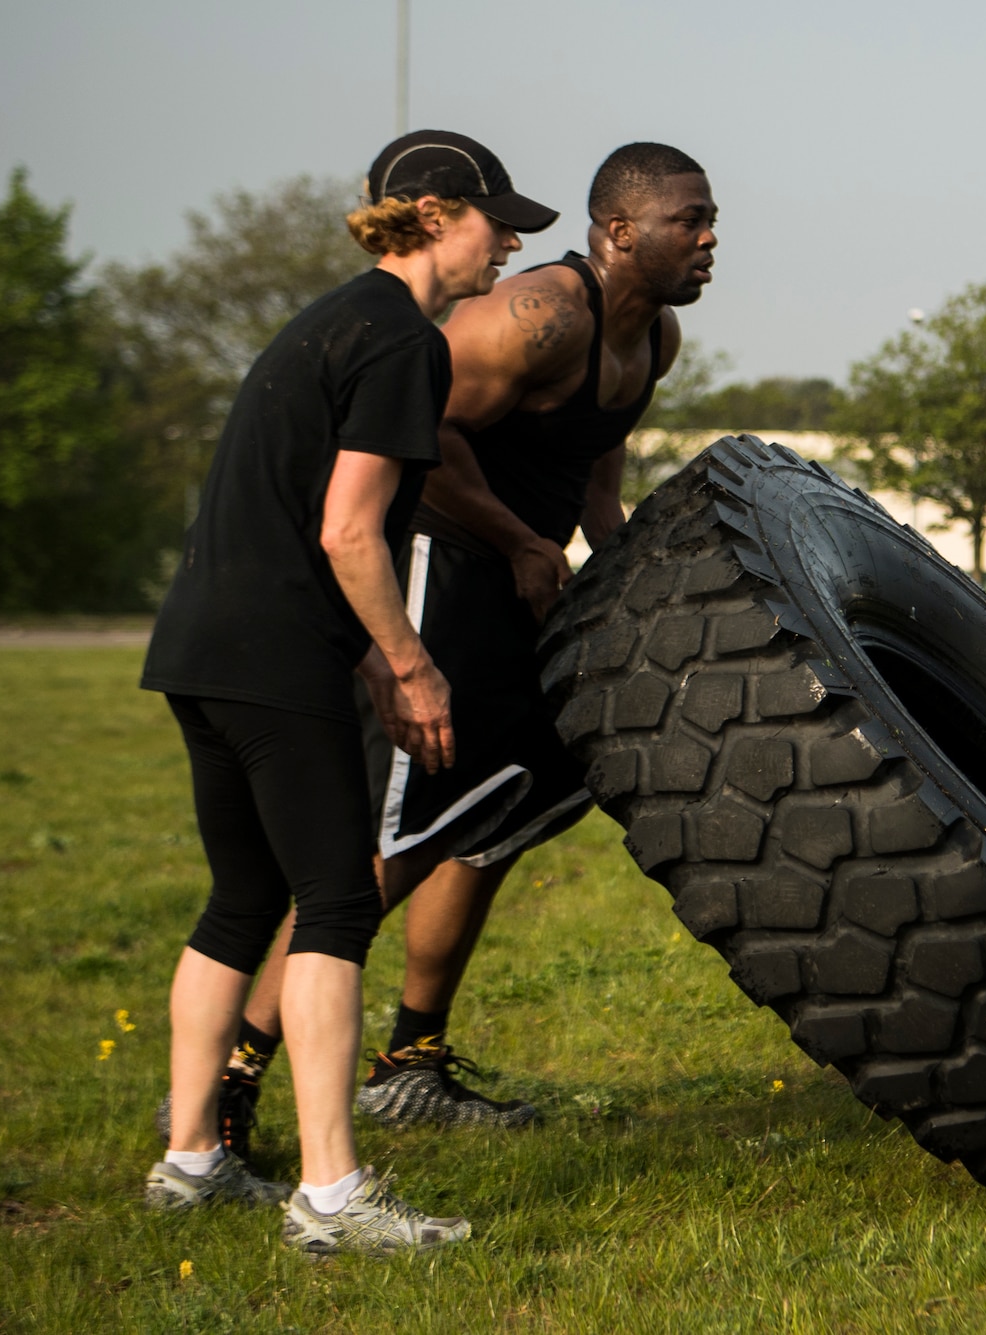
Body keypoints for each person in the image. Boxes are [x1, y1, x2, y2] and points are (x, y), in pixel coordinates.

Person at [209, 142, 718, 1133]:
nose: (707, 241)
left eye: (709, 222)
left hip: (522, 578)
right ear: (617, 231)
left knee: (500, 815)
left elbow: (595, 489)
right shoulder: (534, 319)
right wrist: (519, 542)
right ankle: (231, 1073)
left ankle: (411, 1061)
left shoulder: (650, 339)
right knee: (396, 842)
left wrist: (629, 599)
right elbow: (414, 438)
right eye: (686, 221)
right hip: (438, 570)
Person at [137, 130, 556, 1254]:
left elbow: (292, 515)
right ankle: (330, 1196)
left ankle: (190, 1160)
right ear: (428, 214)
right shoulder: (400, 343)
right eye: (493, 218)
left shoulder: (325, 320)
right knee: (329, 906)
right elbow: (348, 529)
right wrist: (411, 659)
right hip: (275, 657)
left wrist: (368, 658)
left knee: (238, 903)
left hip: (200, 644)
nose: (510, 240)